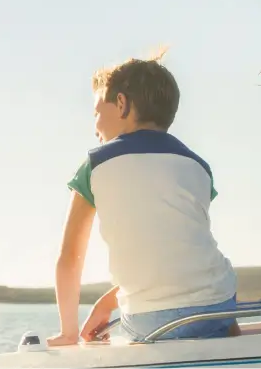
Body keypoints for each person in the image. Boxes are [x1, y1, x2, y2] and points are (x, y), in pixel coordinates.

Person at [47, 50, 240, 346]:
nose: (95, 125)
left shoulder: (95, 165)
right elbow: (177, 254)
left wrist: (69, 332)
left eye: (97, 112)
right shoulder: (198, 166)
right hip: (218, 305)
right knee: (218, 315)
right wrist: (107, 302)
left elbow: (70, 259)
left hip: (149, 318)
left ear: (121, 104)